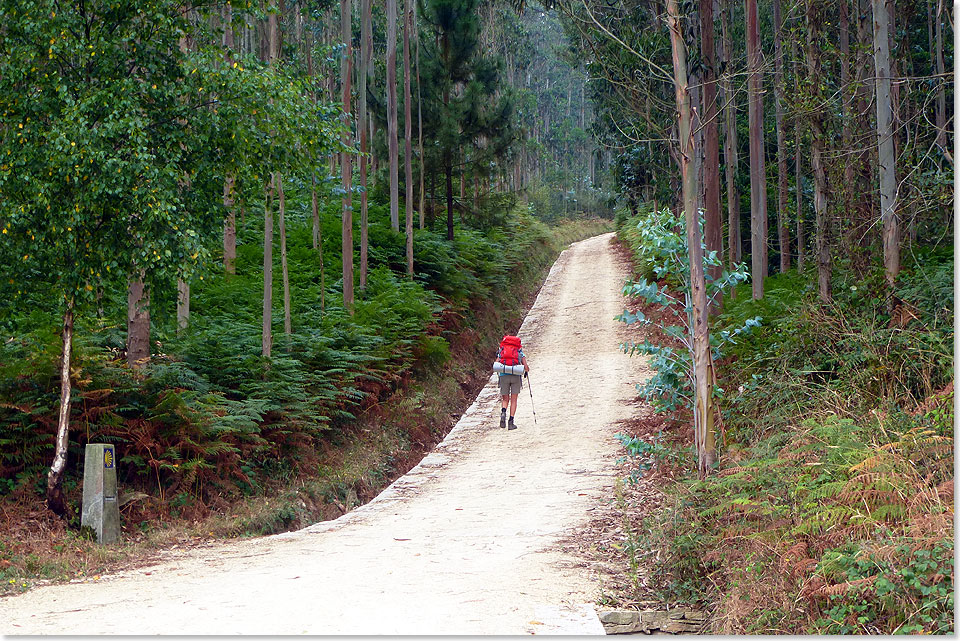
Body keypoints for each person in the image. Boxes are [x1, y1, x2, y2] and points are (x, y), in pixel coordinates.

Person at [496, 335, 529, 430]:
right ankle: (511, 422)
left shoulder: (502, 350)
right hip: (515, 376)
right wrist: (526, 370)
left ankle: (503, 412)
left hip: (503, 376)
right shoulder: (519, 351)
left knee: (505, 399)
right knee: (514, 400)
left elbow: (496, 362)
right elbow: (525, 366)